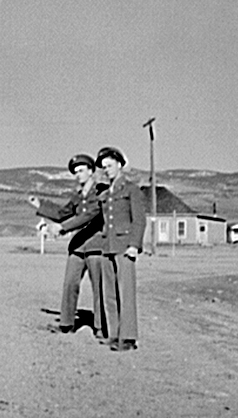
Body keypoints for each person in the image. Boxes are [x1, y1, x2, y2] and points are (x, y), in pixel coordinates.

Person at [28, 154, 108, 339]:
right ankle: (66, 323)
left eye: (81, 171)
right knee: (70, 284)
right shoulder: (77, 196)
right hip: (78, 246)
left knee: (99, 287)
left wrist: (62, 228)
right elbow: (62, 213)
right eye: (75, 172)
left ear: (91, 171)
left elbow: (88, 216)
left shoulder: (101, 192)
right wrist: (40, 205)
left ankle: (101, 327)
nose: (78, 175)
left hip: (97, 245)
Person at [95, 146, 146, 352]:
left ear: (120, 164)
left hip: (125, 247)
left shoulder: (131, 189)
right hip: (107, 246)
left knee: (126, 293)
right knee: (110, 293)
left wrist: (134, 245)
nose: (106, 170)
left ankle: (129, 337)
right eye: (103, 167)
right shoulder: (106, 193)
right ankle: (114, 334)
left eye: (109, 165)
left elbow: (139, 220)